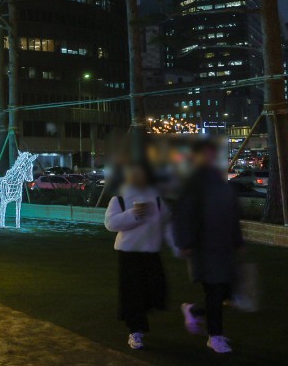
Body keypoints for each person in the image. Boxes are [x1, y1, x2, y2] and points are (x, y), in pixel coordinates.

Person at [173, 139, 245, 354]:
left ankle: (194, 311)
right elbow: (182, 215)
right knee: (215, 292)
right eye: (207, 154)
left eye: (213, 154)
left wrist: (237, 240)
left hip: (223, 246)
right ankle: (215, 336)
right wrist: (185, 242)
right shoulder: (192, 182)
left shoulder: (219, 180)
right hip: (204, 247)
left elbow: (233, 212)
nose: (211, 158)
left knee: (226, 292)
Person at [104, 162, 172, 350]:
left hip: (151, 252)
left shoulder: (157, 199)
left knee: (156, 291)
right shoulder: (119, 199)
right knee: (133, 294)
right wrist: (133, 214)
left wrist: (177, 246)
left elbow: (167, 223)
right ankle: (135, 331)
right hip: (129, 254)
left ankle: (139, 321)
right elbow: (110, 224)